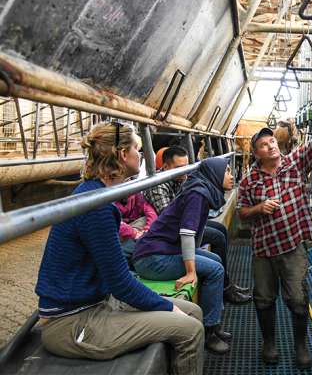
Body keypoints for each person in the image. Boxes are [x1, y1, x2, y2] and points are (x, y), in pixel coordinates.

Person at [35, 122, 204, 375]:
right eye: (137, 148)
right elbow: (121, 284)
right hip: (69, 323)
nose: (142, 154)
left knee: (193, 310)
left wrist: (168, 307)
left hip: (94, 303)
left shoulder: (95, 195)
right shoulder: (97, 207)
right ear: (124, 155)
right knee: (190, 329)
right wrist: (168, 307)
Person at [236, 85, 312, 369]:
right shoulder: (249, 180)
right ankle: (269, 342)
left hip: (292, 245)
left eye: (272, 141)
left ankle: (301, 344)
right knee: (263, 298)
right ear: (257, 153)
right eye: (264, 144)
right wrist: (259, 208)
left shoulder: (296, 163)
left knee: (298, 298)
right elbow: (242, 214)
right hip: (262, 249)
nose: (271, 145)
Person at [133, 157, 250, 356]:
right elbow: (187, 234)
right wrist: (190, 271)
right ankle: (207, 331)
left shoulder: (202, 189)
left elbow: (194, 232)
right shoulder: (198, 195)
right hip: (152, 259)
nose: (231, 176)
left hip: (162, 251)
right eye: (227, 171)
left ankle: (213, 322)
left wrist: (194, 260)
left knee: (215, 261)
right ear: (214, 175)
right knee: (215, 269)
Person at [144, 145, 250, 297]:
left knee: (220, 229)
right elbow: (169, 216)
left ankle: (226, 284)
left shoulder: (184, 180)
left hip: (179, 226)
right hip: (171, 233)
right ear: (165, 167)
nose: (185, 172)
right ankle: (225, 289)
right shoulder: (160, 185)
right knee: (217, 238)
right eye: (180, 168)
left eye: (186, 167)